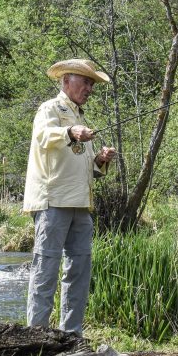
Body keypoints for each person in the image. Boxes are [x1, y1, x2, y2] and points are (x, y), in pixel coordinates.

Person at [24, 58, 117, 335]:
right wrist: (69, 131)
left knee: (79, 273)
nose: (89, 88)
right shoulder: (49, 109)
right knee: (46, 270)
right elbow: (42, 136)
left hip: (80, 205)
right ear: (66, 81)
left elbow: (87, 169)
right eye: (85, 81)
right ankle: (35, 335)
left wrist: (100, 159)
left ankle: (71, 335)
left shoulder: (80, 117)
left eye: (91, 83)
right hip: (52, 202)